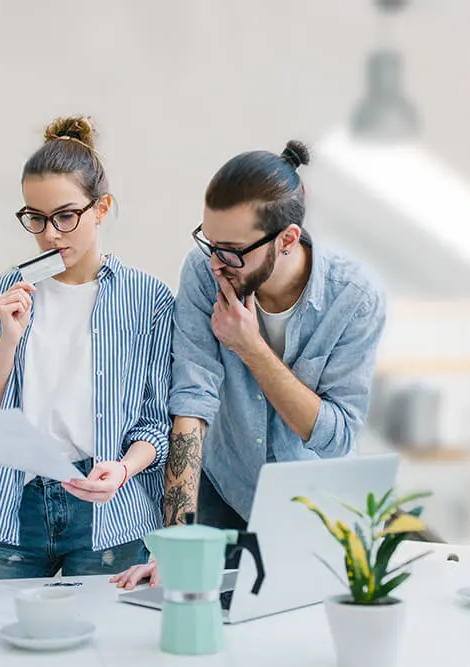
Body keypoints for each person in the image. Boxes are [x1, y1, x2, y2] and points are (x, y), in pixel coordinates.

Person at [111, 139, 387, 589]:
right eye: (209, 242)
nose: (217, 262)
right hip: (225, 485)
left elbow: (335, 437)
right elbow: (191, 404)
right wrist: (175, 542)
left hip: (308, 502)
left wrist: (250, 347)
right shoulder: (205, 271)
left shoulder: (353, 298)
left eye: (232, 250)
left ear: (287, 240)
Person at [0, 115, 174, 581]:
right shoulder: (7, 291)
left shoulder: (148, 299)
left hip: (107, 509)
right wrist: (9, 340)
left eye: (66, 216)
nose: (50, 234)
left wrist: (123, 468)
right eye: (35, 217)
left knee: (109, 646)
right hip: (13, 502)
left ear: (101, 208)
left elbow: (156, 423)